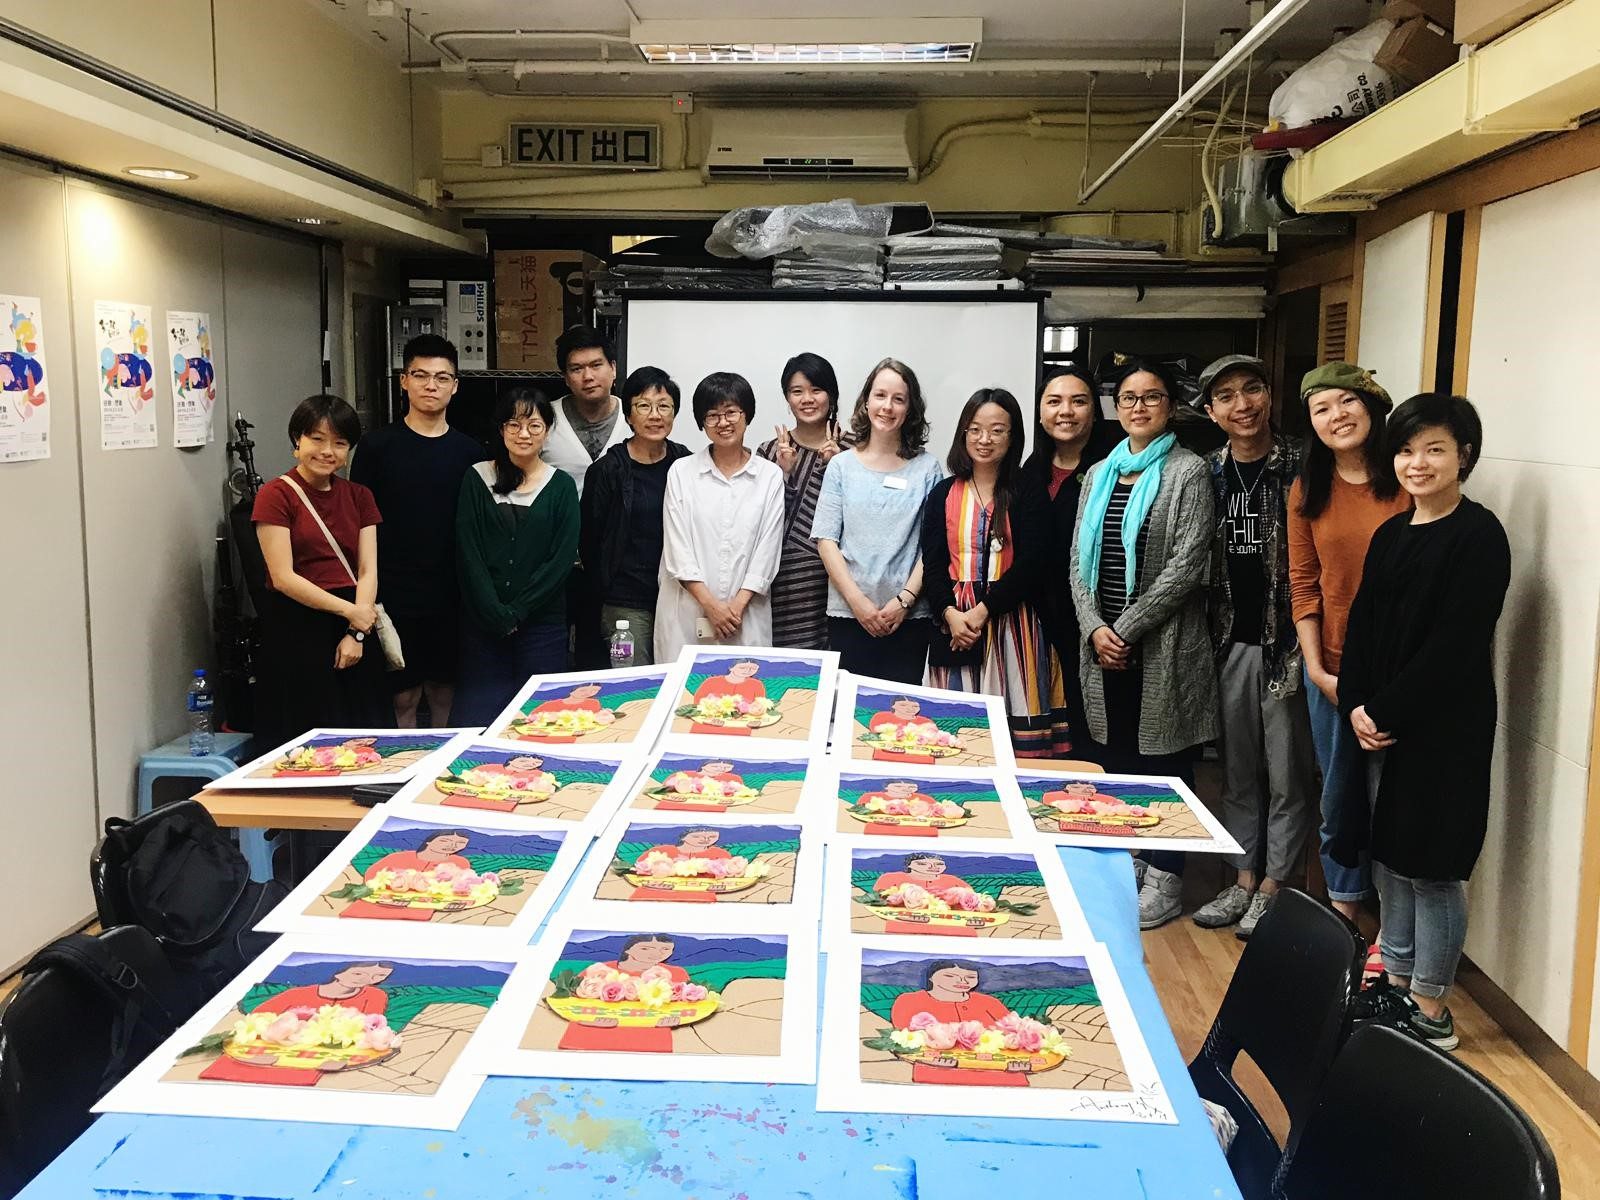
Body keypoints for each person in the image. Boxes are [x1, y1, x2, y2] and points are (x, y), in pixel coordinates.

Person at [1339, 395, 1509, 1051]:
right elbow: (1363, 630)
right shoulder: (1392, 532)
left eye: (1435, 449)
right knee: (1392, 860)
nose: (1418, 462)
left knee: (1435, 868)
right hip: (1378, 725)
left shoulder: (1479, 536)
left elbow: (1456, 644)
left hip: (1442, 731)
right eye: (1407, 449)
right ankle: (1400, 981)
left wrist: (1382, 710)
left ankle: (1432, 1008)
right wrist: (1356, 704)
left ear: (1464, 455)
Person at [1069, 358, 1217, 930]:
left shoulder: (1189, 472)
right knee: (1120, 757)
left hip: (1161, 646)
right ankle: (1132, 857)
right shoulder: (1100, 471)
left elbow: (1186, 566)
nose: (1138, 407)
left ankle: (1168, 874)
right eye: (1127, 397)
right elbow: (1076, 565)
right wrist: (1094, 628)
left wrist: (1125, 629)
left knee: (1166, 764)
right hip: (1103, 643)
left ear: (1171, 406)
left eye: (1150, 397)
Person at [1191, 355, 1319, 939]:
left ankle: (1275, 886)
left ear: (1269, 396)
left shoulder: (1303, 461)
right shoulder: (1206, 473)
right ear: (1211, 411)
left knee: (1287, 771)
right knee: (1238, 770)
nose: (1242, 404)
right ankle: (1242, 876)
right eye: (1226, 396)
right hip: (1227, 641)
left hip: (1290, 642)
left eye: (1253, 389)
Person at [1287, 362, 1410, 927]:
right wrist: (1316, 670)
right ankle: (1344, 918)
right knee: (1339, 801)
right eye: (1321, 408)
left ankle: (1395, 933)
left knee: (1396, 803)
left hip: (1402, 674)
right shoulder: (1307, 490)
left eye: (1347, 402)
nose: (1336, 416)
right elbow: (1304, 585)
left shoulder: (1409, 480)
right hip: (1333, 672)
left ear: (1372, 406)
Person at [921, 387, 1072, 758]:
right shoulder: (943, 492)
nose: (984, 439)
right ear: (963, 434)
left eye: (997, 430)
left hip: (1013, 624)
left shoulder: (1028, 490)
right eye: (975, 429)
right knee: (954, 743)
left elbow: (1033, 563)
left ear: (1013, 436)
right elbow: (934, 563)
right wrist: (951, 614)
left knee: (1017, 748)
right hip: (955, 627)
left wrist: (982, 611)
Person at [349, 334, 484, 727]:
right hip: (392, 591)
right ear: (403, 380)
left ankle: (437, 773)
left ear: (455, 386)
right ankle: (400, 773)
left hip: (451, 593)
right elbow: (361, 524)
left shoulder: (471, 452)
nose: (431, 385)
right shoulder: (376, 447)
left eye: (443, 378)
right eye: (421, 375)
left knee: (445, 691)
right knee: (402, 694)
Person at [251, 394, 390, 748]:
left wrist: (357, 632)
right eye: (317, 438)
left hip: (356, 621)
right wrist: (354, 615)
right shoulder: (275, 495)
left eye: (340, 443)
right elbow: (283, 577)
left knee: (366, 735)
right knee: (304, 738)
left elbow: (368, 568)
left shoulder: (360, 496)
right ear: (297, 441)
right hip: (299, 626)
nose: (328, 450)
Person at [453, 388, 580, 726]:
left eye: (534, 426)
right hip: (483, 627)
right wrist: (495, 613)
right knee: (479, 723)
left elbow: (560, 560)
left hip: (542, 628)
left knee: (540, 723)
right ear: (501, 429)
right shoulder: (477, 477)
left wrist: (518, 612)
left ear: (547, 432)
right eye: (514, 424)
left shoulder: (561, 486)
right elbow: (469, 553)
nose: (524, 434)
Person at [813, 358, 944, 684]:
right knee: (850, 719)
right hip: (849, 616)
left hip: (910, 618)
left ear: (910, 408)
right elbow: (826, 541)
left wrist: (904, 602)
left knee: (901, 717)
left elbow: (933, 546)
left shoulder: (927, 468)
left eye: (898, 399)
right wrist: (858, 604)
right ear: (866, 401)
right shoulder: (841, 466)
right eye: (880, 395)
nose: (888, 406)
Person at [1019, 365, 1120, 753]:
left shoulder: (1114, 469)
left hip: (1097, 620)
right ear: (1041, 413)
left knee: (1093, 728)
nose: (1066, 411)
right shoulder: (1030, 470)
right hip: (1039, 620)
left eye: (1079, 402)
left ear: (1094, 411)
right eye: (1054, 402)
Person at [655, 373, 784, 660]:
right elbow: (678, 549)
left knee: (748, 695)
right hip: (686, 614)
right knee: (683, 698)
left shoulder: (769, 476)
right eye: (712, 415)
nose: (723, 422)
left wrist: (735, 608)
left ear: (746, 414)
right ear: (702, 422)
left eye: (731, 412)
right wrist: (711, 606)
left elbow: (767, 550)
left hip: (746, 616)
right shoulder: (681, 472)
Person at [580, 366, 691, 664]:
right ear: (629, 415)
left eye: (664, 406)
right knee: (635, 685)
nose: (655, 415)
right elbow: (590, 542)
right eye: (644, 406)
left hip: (678, 598)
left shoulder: (687, 464)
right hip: (626, 602)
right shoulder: (606, 471)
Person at [546, 326, 626, 667]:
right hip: (555, 563)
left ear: (613, 368)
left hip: (617, 566)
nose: (588, 376)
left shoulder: (637, 417)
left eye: (596, 365)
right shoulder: (543, 419)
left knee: (607, 657)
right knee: (552, 654)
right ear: (565, 377)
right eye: (577, 369)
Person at [758, 352, 846, 649]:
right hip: (780, 585)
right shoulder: (769, 452)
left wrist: (838, 469)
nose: (807, 399)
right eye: (797, 391)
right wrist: (784, 474)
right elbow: (760, 527)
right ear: (787, 398)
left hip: (834, 585)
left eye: (816, 390)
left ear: (831, 396)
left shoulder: (854, 451)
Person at [889, 960, 1025, 1086]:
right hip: (937, 1076)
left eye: (970, 977)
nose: (962, 981)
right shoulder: (909, 1001)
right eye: (950, 976)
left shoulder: (989, 1002)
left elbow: (1014, 1032)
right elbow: (905, 1040)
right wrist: (931, 1059)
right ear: (931, 977)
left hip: (1001, 1074)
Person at [339, 830, 474, 921]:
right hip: (375, 906)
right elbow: (372, 878)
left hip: (418, 912)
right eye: (445, 840)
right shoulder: (399, 857)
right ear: (429, 841)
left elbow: (455, 887)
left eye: (460, 843)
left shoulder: (459, 862)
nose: (452, 846)